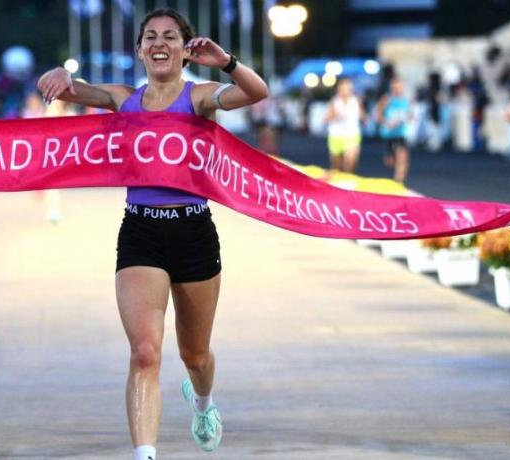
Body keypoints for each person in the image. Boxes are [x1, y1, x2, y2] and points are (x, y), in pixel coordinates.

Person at [37, 8, 268, 460]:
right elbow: (68, 88)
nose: (159, 43)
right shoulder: (124, 99)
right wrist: (59, 74)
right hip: (141, 232)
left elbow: (256, 92)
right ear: (140, 49)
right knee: (145, 352)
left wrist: (225, 61)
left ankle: (202, 402)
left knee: (195, 355)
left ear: (185, 49)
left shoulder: (200, 98)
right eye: (151, 36)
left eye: (170, 36)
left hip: (194, 233)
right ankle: (145, 454)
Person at [324, 77, 366, 174]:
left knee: (350, 163)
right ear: (339, 88)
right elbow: (325, 119)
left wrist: (363, 116)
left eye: (348, 86)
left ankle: (348, 181)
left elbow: (364, 116)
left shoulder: (356, 100)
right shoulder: (334, 102)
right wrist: (334, 115)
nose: (346, 89)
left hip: (352, 135)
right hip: (336, 135)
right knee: (336, 168)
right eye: (343, 87)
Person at [376, 77, 412, 184]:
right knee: (390, 162)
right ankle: (396, 177)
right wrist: (386, 122)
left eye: (399, 87)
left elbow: (410, 115)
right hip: (388, 135)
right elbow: (378, 114)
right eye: (395, 87)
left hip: (401, 134)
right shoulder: (387, 99)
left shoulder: (406, 100)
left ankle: (399, 182)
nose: (397, 89)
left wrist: (407, 118)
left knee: (403, 157)